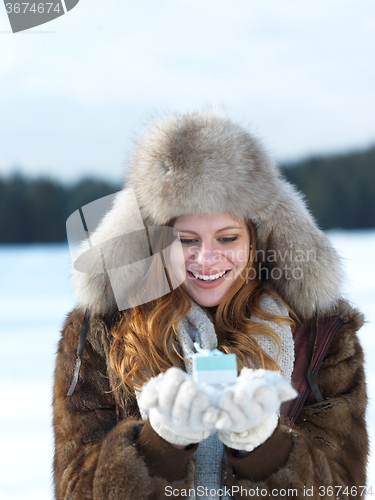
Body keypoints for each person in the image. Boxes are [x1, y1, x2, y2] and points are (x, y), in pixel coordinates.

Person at [53, 110, 368, 499]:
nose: (206, 259)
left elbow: (343, 488)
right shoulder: (103, 332)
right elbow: (76, 490)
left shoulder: (320, 334)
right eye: (186, 240)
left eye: (227, 238)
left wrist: (264, 449)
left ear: (256, 239)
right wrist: (159, 444)